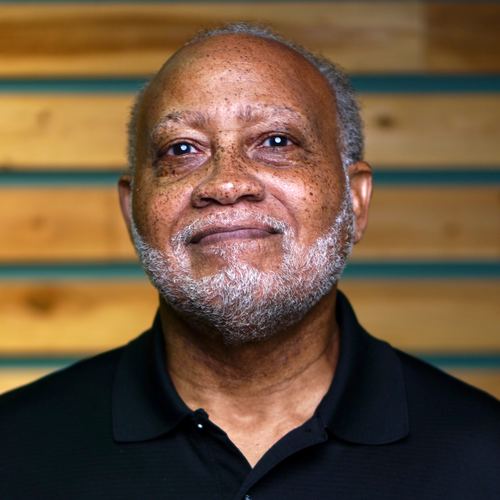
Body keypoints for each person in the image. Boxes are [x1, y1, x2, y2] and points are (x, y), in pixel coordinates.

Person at [0, 23, 499, 500]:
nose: (226, 183)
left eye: (277, 141)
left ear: (356, 201)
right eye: (181, 149)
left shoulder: (486, 456)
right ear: (133, 213)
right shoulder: (15, 451)